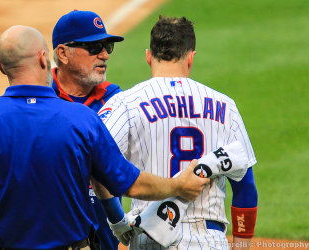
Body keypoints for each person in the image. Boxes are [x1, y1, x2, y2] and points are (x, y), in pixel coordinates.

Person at [0, 25, 209, 250]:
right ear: (45, 58)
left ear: (1, 67)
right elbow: (131, 184)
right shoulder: (81, 118)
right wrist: (178, 186)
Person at [99, 16, 258, 249]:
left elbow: (100, 165)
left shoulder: (126, 103)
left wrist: (117, 221)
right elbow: (245, 185)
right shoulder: (226, 106)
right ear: (191, 58)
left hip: (151, 236)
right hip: (209, 239)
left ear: (148, 56)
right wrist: (242, 244)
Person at [51, 10, 124, 250]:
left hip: (104, 241)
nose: (104, 55)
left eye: (107, 47)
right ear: (63, 53)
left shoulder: (117, 101)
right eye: (94, 47)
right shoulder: (39, 100)